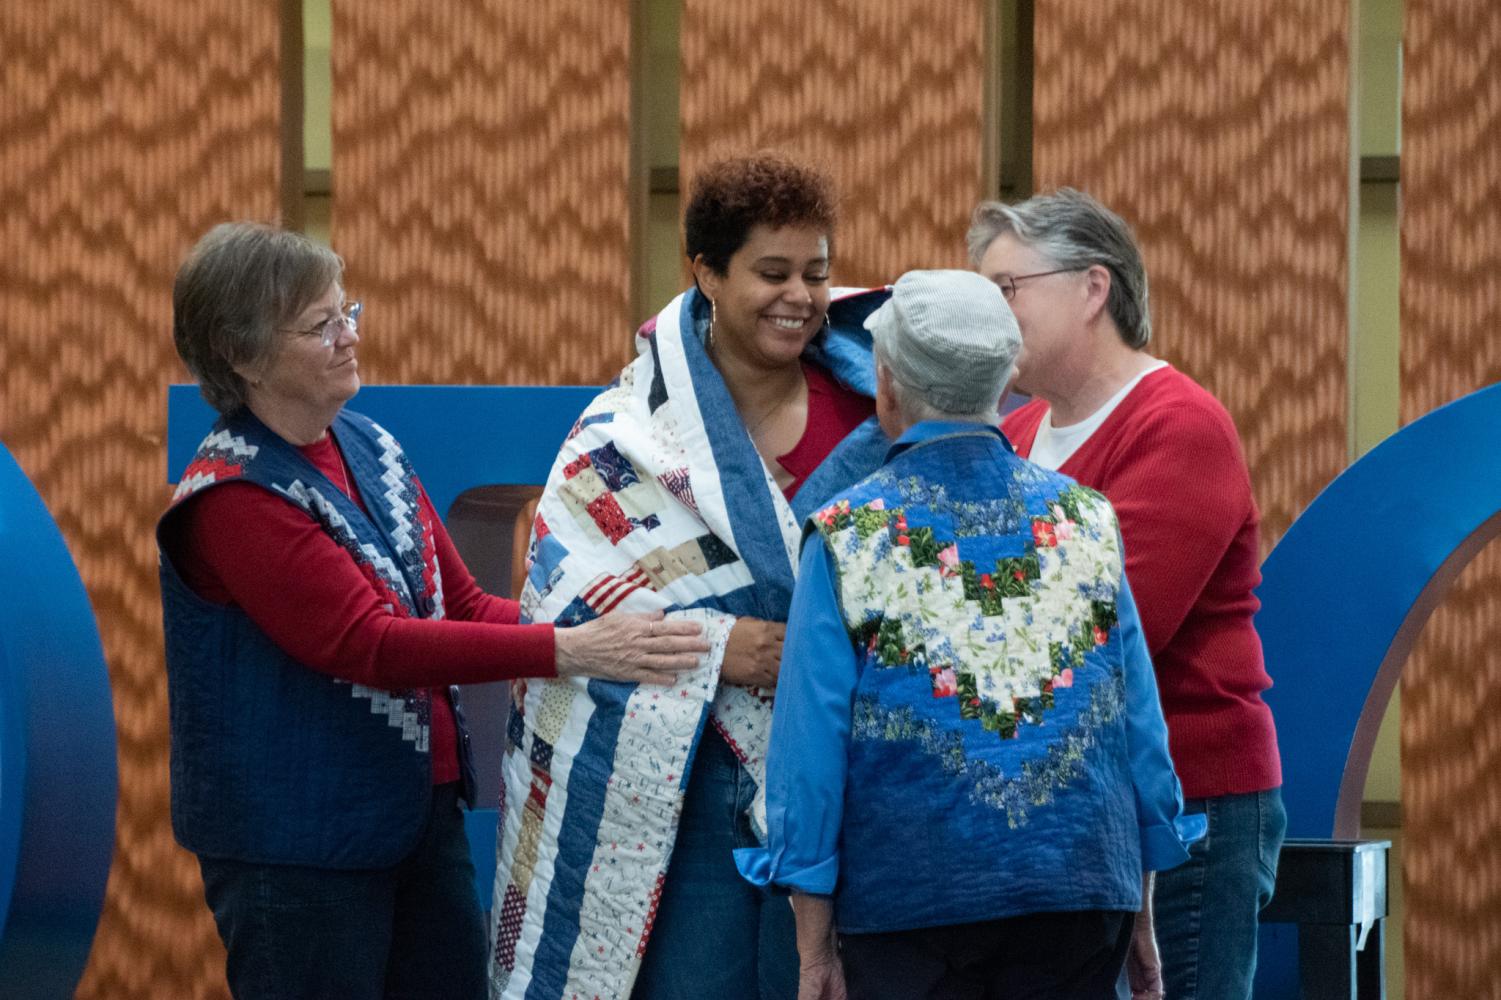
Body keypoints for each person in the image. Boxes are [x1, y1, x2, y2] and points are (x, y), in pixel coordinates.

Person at [158, 222, 707, 1000]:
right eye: (320, 326)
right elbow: (370, 645)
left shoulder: (369, 442)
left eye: (348, 312)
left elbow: (467, 603)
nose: (348, 337)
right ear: (240, 354)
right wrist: (574, 651)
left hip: (421, 818)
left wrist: (588, 631)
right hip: (299, 851)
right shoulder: (233, 496)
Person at [736, 269, 1202, 1000]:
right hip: (1081, 897)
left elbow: (810, 750)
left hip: (907, 912)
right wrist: (1139, 908)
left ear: (885, 383)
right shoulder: (1085, 521)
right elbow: (1136, 726)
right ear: (1007, 378)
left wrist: (811, 943)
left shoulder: (846, 535)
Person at [488, 153, 888, 1000]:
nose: (801, 298)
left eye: (816, 273)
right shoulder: (624, 434)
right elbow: (566, 603)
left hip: (852, 772)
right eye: (770, 273)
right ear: (706, 272)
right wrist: (717, 646)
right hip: (685, 782)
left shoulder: (879, 407)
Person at [969, 189, 1285, 1000]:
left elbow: (1103, 627)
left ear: (1092, 288)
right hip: (1056, 811)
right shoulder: (1008, 434)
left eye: (1007, 289)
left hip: (1188, 805)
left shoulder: (1178, 424)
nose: (990, 313)